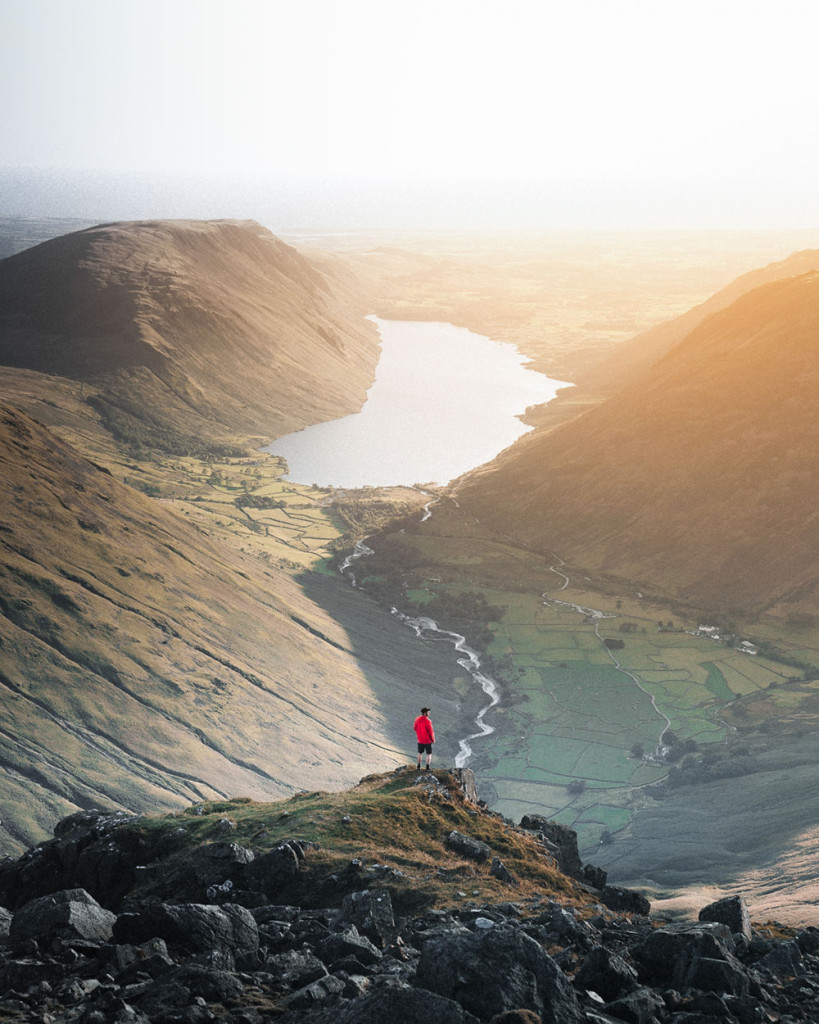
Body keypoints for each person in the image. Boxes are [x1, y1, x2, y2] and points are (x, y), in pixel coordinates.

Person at [413, 706, 435, 770]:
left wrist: (419, 733)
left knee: (419, 753)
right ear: (425, 713)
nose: (429, 713)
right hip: (427, 740)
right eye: (428, 712)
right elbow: (431, 732)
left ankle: (418, 767)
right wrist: (433, 739)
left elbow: (414, 728)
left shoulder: (417, 719)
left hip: (420, 740)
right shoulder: (428, 721)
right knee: (429, 754)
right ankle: (427, 767)